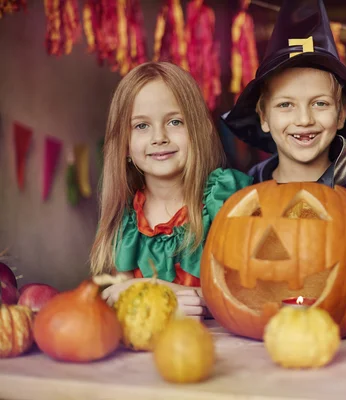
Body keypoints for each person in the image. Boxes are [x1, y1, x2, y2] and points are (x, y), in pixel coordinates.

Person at [90, 62, 253, 319]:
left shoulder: (225, 198)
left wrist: (157, 292)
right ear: (124, 144)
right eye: (141, 126)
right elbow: (115, 299)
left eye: (175, 122)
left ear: (200, 130)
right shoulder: (127, 222)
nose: (159, 137)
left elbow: (251, 294)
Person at [221, 0, 346, 209]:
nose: (304, 119)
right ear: (263, 116)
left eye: (320, 103)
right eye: (285, 105)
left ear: (341, 113)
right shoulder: (245, 191)